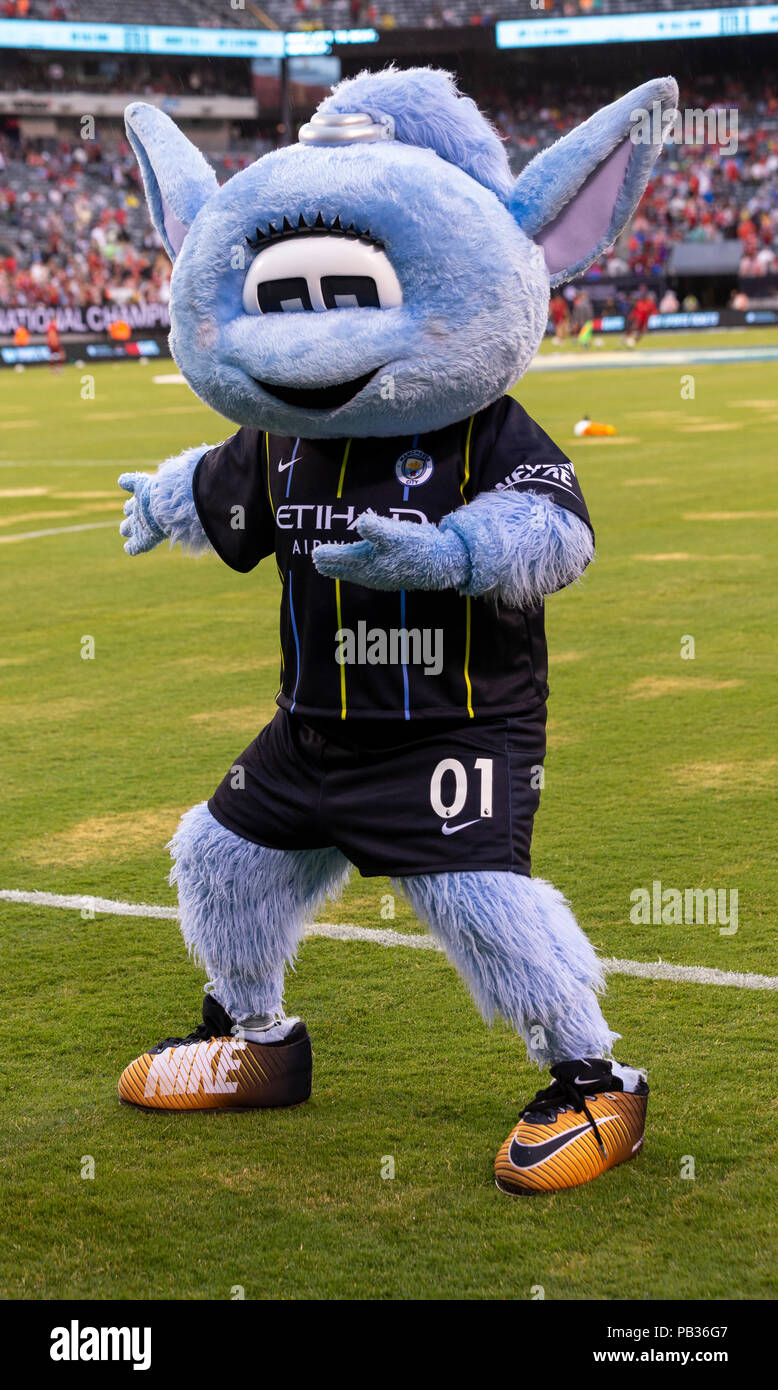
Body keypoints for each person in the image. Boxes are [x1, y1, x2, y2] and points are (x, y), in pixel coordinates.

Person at [115, 69, 678, 1194]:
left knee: (482, 902)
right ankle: (255, 1038)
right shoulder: (279, 438)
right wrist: (165, 499)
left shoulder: (483, 428)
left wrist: (450, 555)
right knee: (222, 860)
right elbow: (221, 491)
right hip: (311, 728)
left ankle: (593, 1078)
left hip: (450, 729)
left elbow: (556, 535)